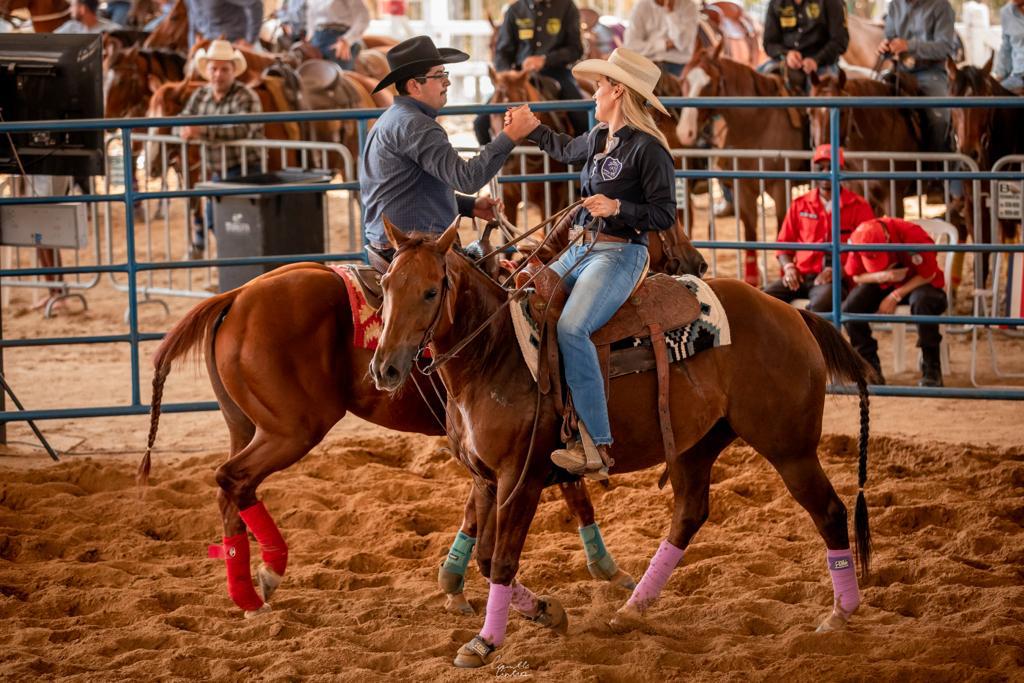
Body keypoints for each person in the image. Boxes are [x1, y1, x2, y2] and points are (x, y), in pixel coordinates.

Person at [508, 47, 677, 479]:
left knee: (572, 327)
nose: (595, 93)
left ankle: (597, 445)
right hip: (581, 248)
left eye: (600, 86)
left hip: (621, 252)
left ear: (618, 91)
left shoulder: (650, 149)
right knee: (522, 296)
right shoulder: (601, 137)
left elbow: (664, 215)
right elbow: (566, 150)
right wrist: (533, 130)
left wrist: (617, 206)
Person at [360, 36, 537, 263]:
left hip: (393, 246)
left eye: (446, 74)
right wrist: (511, 135)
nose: (447, 82)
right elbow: (467, 179)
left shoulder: (392, 119)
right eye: (439, 75)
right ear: (415, 85)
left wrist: (469, 206)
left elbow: (411, 189)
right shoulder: (416, 125)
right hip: (414, 252)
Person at [176, 40, 264, 258]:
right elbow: (182, 118)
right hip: (218, 171)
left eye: (224, 69)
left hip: (246, 171)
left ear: (234, 71)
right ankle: (234, 263)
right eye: (213, 69)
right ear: (206, 71)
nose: (218, 74)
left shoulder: (245, 95)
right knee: (217, 220)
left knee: (237, 222)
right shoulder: (201, 95)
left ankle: (241, 263)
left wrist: (202, 131)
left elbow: (243, 129)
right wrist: (184, 129)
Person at [764, 145, 875, 311]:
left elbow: (867, 251)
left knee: (819, 307)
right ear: (812, 169)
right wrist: (789, 268)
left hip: (836, 279)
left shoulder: (859, 207)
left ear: (842, 170)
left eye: (831, 167)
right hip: (800, 276)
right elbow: (783, 245)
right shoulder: (799, 204)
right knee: (763, 299)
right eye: (820, 167)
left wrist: (839, 271)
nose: (825, 172)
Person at [843, 217, 948, 387]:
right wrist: (882, 276)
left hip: (920, 281)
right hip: (885, 282)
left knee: (923, 303)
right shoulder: (857, 238)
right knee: (849, 308)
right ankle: (869, 366)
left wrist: (895, 295)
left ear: (886, 237)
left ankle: (932, 367)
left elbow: (929, 273)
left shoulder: (913, 235)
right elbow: (855, 275)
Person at [474, 0, 588, 145]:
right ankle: (490, 165)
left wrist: (545, 60)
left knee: (583, 119)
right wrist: (508, 75)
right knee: (480, 124)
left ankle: (582, 163)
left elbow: (576, 49)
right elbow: (502, 52)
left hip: (557, 73)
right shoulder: (514, 10)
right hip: (517, 78)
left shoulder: (566, 6)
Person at [878, 0, 958, 154]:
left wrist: (909, 45)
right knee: (872, 104)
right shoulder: (895, 5)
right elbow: (890, 38)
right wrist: (886, 46)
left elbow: (945, 47)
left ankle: (942, 168)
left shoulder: (941, 6)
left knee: (939, 120)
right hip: (899, 71)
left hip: (931, 72)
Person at [761, 0, 849, 87]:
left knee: (825, 93)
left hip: (823, 63)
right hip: (785, 62)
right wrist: (786, 54)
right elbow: (769, 43)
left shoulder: (832, 2)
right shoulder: (776, 3)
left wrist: (816, 60)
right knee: (758, 84)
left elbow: (840, 40)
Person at [623, 0, 698, 78]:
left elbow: (682, 43)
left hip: (677, 66)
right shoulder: (641, 5)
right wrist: (664, 45)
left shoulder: (689, 6)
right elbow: (630, 46)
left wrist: (670, 12)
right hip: (646, 63)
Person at [304, 0, 369, 71]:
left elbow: (363, 17)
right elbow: (310, 17)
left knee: (338, 75)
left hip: (340, 38)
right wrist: (309, 38)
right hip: (316, 38)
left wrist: (346, 40)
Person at [185, 0, 262, 47]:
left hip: (234, 43)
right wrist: (192, 47)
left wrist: (250, 41)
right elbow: (192, 23)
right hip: (208, 45)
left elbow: (255, 3)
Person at [995, 0, 1024, 93]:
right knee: (992, 97)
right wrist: (1000, 76)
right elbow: (1006, 49)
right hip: (1019, 78)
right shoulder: (1006, 12)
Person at [55, 0, 122, 33]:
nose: (70, 9)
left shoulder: (112, 30)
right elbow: (49, 41)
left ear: (82, 9)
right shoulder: (70, 26)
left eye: (73, 6)